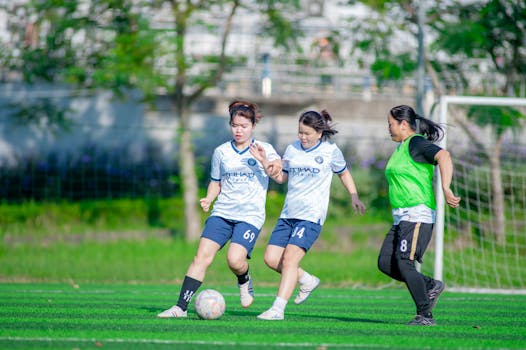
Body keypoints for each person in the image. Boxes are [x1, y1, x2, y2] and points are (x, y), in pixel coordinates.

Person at [157, 100, 282, 318]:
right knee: (201, 257)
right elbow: (216, 181)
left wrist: (263, 160)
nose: (239, 130)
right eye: (235, 125)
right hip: (222, 213)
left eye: (243, 126)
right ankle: (180, 308)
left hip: (250, 216)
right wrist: (209, 198)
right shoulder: (222, 152)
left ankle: (244, 279)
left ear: (252, 126)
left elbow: (277, 175)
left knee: (235, 260)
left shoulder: (266, 149)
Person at [250, 109, 366, 321]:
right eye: (300, 132)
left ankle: (277, 309)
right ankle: (306, 280)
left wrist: (354, 196)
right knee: (270, 258)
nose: (302, 137)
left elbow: (344, 172)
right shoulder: (292, 149)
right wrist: (265, 162)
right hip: (288, 214)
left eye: (307, 133)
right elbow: (282, 178)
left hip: (311, 215)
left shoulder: (330, 151)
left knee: (290, 259)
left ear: (319, 133)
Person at [377, 105, 461, 326]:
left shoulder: (415, 142)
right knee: (386, 263)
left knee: (405, 263)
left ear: (403, 125)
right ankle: (430, 285)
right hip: (401, 217)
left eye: (390, 124)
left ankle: (425, 315)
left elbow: (443, 155)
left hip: (417, 213)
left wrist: (445, 187)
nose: (389, 128)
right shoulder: (402, 147)